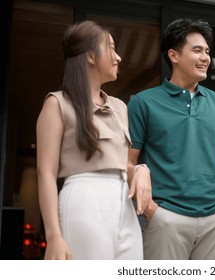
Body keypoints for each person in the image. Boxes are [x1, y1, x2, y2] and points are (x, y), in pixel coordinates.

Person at [127, 18, 215, 260]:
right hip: (167, 217)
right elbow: (128, 162)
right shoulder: (143, 102)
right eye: (197, 50)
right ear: (174, 55)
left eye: (207, 51)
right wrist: (152, 211)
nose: (206, 58)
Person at [36, 20, 143, 260]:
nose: (119, 58)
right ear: (91, 56)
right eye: (111, 48)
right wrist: (53, 235)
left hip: (123, 202)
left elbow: (118, 162)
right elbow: (46, 173)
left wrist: (140, 170)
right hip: (84, 200)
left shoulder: (119, 107)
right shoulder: (57, 104)